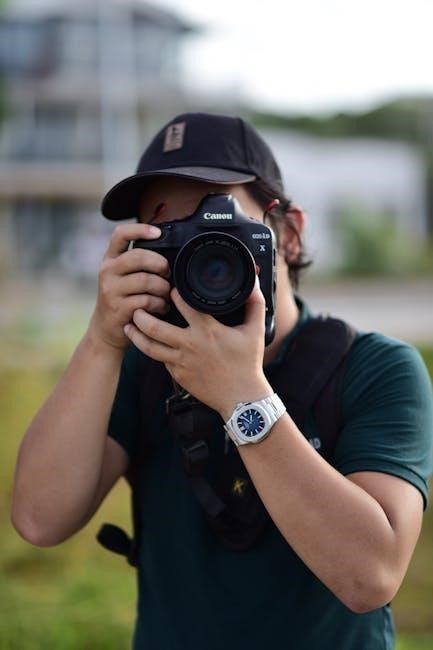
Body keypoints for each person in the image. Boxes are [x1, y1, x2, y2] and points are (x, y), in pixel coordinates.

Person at [12, 112, 433, 649]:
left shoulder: (375, 369)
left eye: (221, 225)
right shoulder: (142, 366)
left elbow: (371, 577)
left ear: (290, 234)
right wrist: (101, 338)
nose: (202, 253)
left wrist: (241, 395)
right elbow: (40, 520)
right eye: (173, 234)